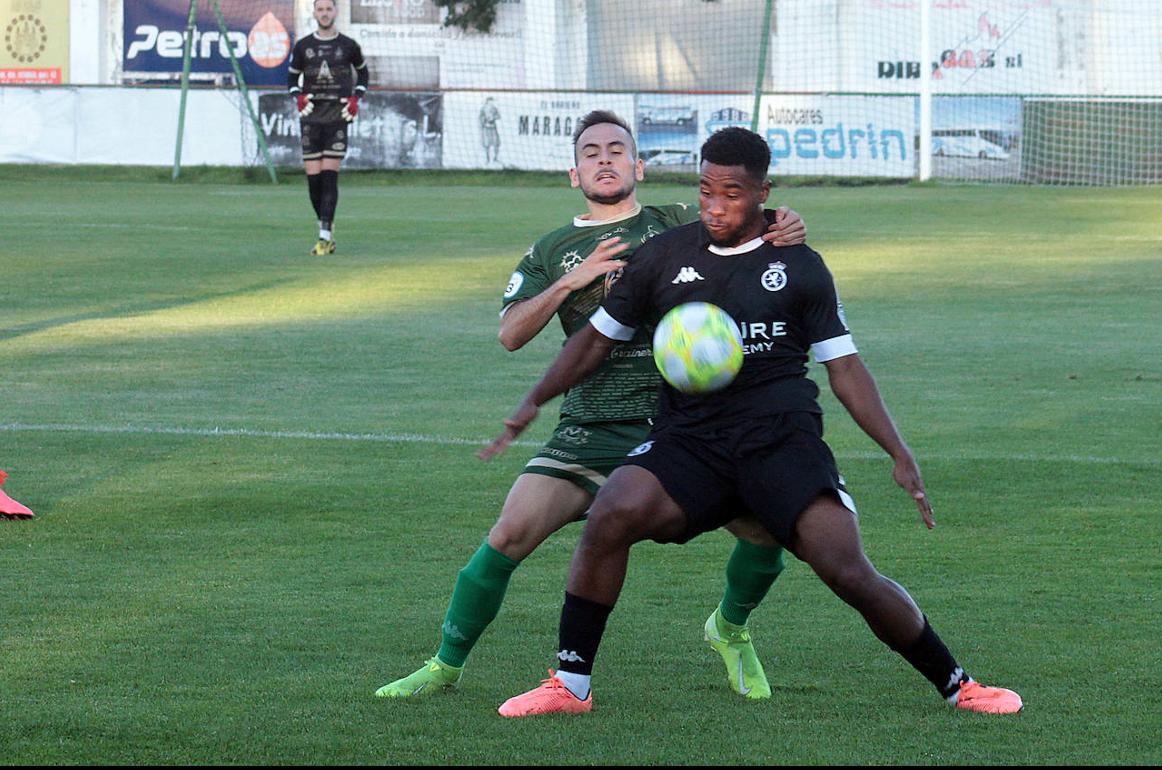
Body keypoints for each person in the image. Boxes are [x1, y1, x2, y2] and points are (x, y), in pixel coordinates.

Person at [483, 127, 1023, 717]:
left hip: (781, 443)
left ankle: (958, 684)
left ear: (763, 192)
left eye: (732, 193)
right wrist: (533, 400)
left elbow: (844, 368)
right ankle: (571, 684)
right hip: (689, 441)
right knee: (611, 514)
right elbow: (592, 342)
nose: (715, 206)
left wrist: (898, 450)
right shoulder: (663, 256)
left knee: (846, 569)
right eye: (706, 191)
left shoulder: (799, 265)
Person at [374, 112, 809, 701]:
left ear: (639, 166)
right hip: (591, 427)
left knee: (767, 533)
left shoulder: (679, 223)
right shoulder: (553, 248)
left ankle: (729, 629)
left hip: (687, 427)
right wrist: (567, 283)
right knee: (508, 536)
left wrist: (787, 224)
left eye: (616, 150)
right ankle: (444, 665)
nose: (604, 159)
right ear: (573, 173)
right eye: (591, 152)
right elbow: (510, 334)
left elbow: (758, 224)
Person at [287, 0, 368, 256]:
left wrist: (356, 97)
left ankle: (324, 237)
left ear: (336, 12)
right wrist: (297, 95)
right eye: (320, 9)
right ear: (314, 13)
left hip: (337, 115)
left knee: (330, 175)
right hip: (311, 116)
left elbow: (363, 74)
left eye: (328, 9)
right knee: (314, 180)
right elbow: (291, 76)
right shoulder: (303, 46)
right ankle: (325, 222)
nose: (324, 13)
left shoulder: (349, 45)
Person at [479, 97, 501, 165]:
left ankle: (495, 158)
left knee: (496, 144)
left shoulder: (494, 108)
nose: (492, 102)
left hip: (493, 128)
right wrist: (485, 120)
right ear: (488, 101)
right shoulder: (483, 108)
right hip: (486, 128)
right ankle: (487, 159)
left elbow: (498, 116)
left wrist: (493, 118)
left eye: (492, 101)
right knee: (486, 145)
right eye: (490, 101)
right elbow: (480, 118)